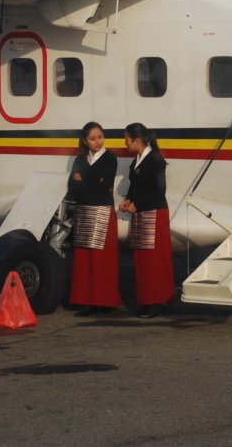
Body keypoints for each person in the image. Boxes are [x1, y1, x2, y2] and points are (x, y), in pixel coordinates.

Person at [118, 122, 174, 318]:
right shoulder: (137, 161)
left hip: (155, 213)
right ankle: (145, 299)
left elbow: (159, 191)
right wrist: (127, 201)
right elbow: (136, 188)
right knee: (141, 259)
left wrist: (138, 204)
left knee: (154, 260)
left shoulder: (155, 160)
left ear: (136, 140)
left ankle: (157, 301)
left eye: (127, 139)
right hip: (142, 213)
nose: (125, 143)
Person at [67, 121, 121, 316]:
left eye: (100, 137)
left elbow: (103, 184)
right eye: (93, 138)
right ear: (85, 140)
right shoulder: (80, 159)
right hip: (84, 210)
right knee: (84, 258)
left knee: (102, 259)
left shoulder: (110, 158)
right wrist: (91, 182)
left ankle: (105, 301)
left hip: (102, 211)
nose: (98, 142)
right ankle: (87, 300)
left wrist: (84, 180)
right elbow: (72, 186)